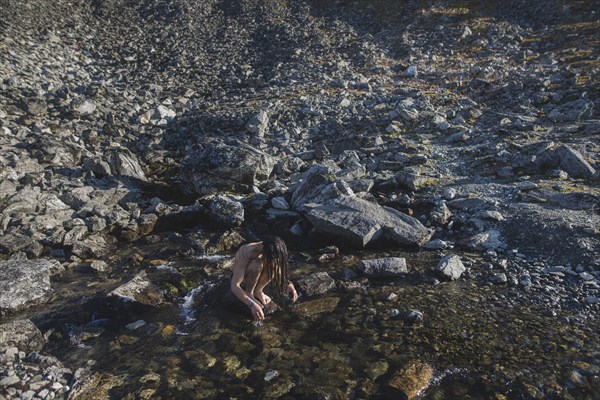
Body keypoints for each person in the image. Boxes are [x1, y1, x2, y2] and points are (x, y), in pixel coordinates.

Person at [230, 236, 299, 321]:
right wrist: (251, 304)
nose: (274, 259)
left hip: (256, 276)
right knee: (257, 264)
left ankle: (258, 291)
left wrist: (288, 284)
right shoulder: (247, 252)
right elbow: (235, 285)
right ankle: (249, 293)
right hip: (243, 278)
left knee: (274, 264)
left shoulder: (271, 250)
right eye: (273, 257)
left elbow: (279, 272)